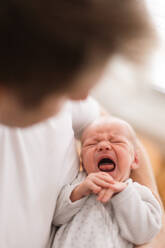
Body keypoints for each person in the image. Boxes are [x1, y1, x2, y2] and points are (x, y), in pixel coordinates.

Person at [0, 1, 164, 248]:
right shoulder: (78, 185)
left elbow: (116, 128)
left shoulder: (63, 100)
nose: (81, 97)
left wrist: (132, 188)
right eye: (68, 86)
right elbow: (61, 212)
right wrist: (79, 192)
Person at [52, 117, 162, 248]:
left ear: (135, 160)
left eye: (116, 141)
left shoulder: (139, 193)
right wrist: (79, 191)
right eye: (92, 144)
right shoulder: (77, 184)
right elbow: (57, 218)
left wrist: (124, 195)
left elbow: (145, 235)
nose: (103, 146)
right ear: (82, 161)